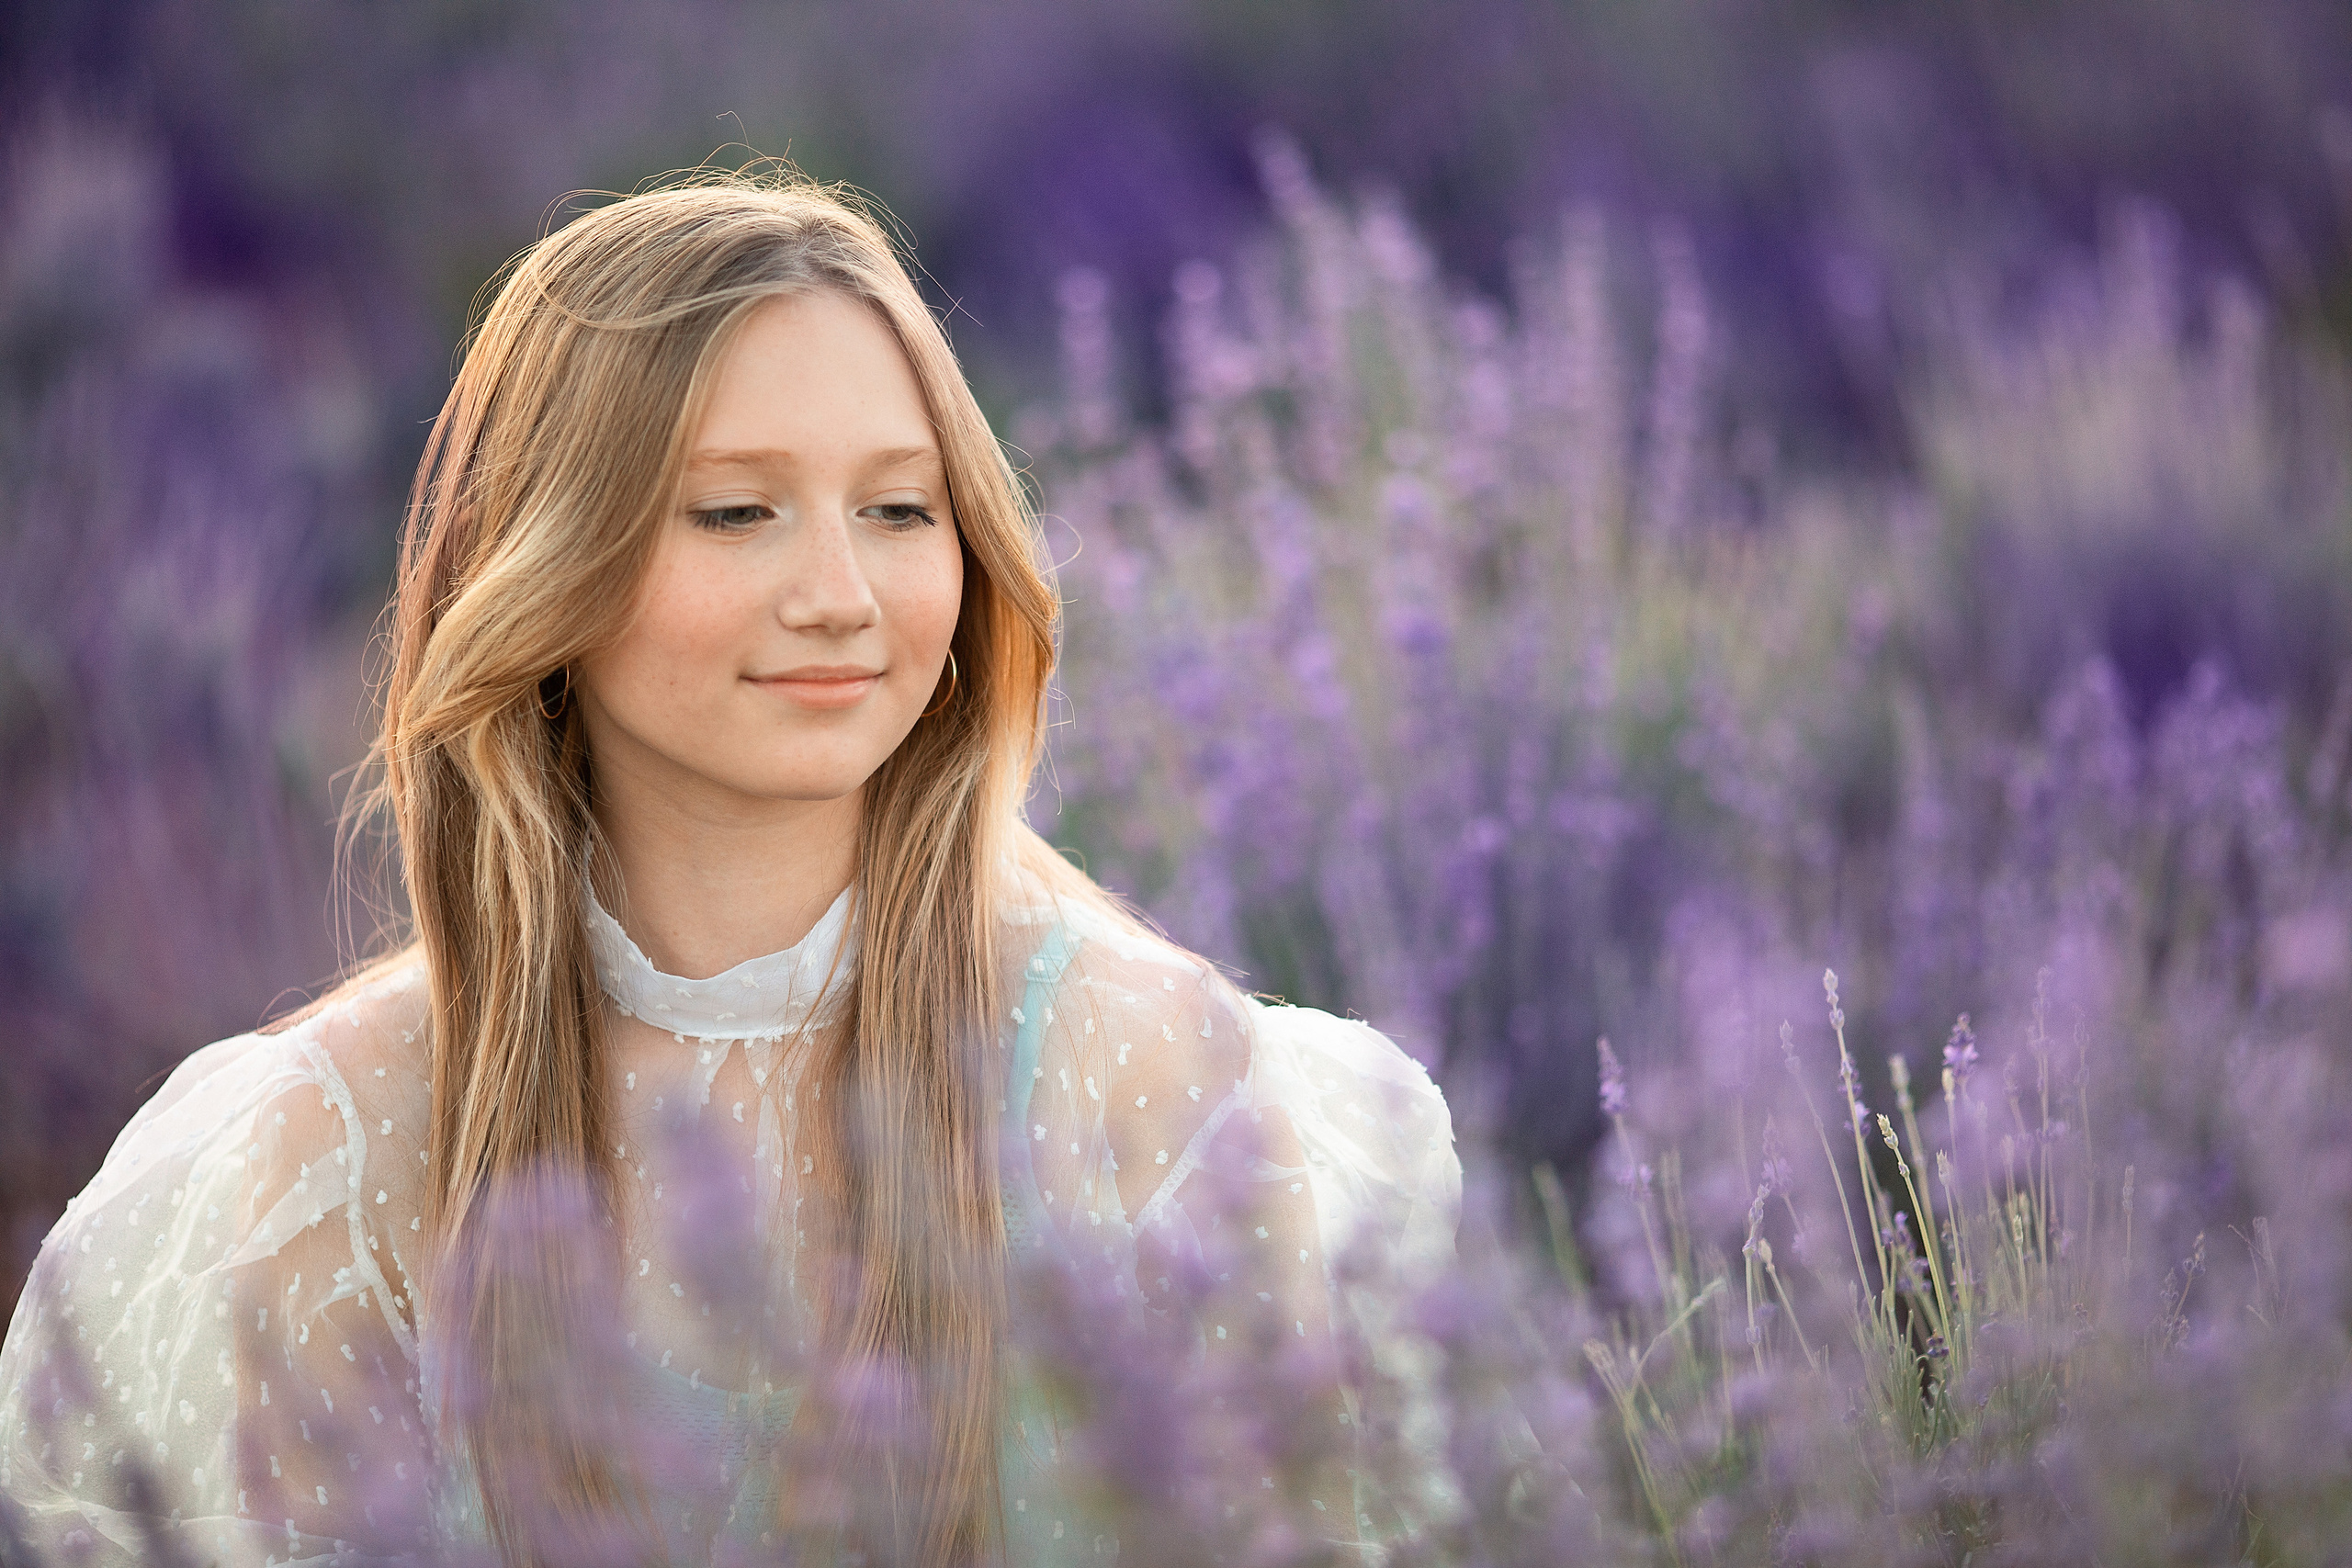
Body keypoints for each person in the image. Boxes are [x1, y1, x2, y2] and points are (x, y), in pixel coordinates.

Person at [0, 169, 1460, 1567]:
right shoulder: (332, 1147)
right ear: (543, 566)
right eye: (736, 511)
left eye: (901, 508)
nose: (840, 596)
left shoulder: (1149, 1081)